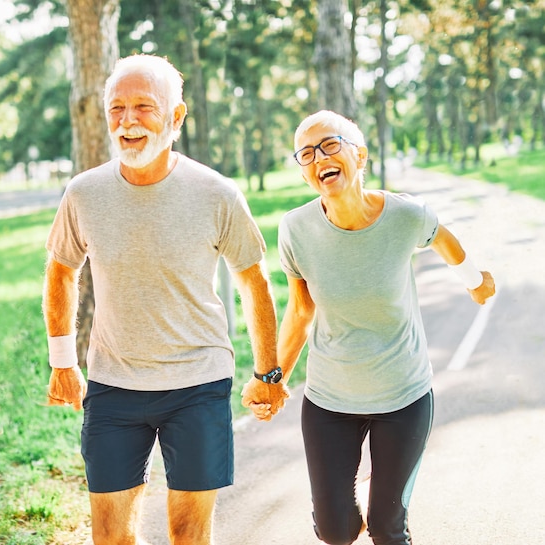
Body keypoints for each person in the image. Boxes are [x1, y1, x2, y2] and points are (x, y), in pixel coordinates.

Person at [42, 54, 287, 545]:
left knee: (187, 533)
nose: (128, 121)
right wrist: (62, 362)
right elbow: (61, 270)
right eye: (117, 108)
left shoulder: (216, 193)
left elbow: (254, 280)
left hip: (199, 382)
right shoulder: (84, 193)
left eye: (144, 107)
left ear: (176, 118)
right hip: (113, 383)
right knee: (110, 535)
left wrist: (268, 374)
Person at [241, 110, 495, 545]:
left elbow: (445, 239)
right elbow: (301, 310)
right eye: (306, 153)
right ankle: (346, 506)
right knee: (336, 531)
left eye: (329, 145)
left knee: (387, 530)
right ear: (305, 174)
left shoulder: (406, 215)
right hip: (329, 400)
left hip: (404, 397)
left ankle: (385, 512)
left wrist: (475, 281)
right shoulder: (295, 229)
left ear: (360, 155)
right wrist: (271, 379)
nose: (319, 157)